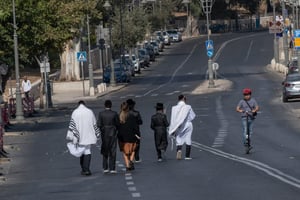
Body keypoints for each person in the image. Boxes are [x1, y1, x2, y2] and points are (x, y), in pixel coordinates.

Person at [66, 100, 100, 176]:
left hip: (79, 135)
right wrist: (97, 134)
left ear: (78, 105)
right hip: (89, 135)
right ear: (84, 104)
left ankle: (84, 168)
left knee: (81, 150)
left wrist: (72, 136)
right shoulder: (89, 112)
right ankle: (87, 169)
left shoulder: (75, 112)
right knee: (87, 151)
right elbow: (94, 123)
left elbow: (72, 125)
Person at [168, 95, 196, 160]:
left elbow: (173, 119)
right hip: (188, 124)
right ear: (183, 99)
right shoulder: (188, 107)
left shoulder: (174, 108)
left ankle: (179, 150)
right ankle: (187, 156)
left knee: (179, 138)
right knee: (188, 138)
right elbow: (192, 116)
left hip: (179, 126)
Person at [97, 100, 120, 174]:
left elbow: (99, 124)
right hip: (113, 132)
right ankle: (112, 168)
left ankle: (105, 167)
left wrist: (103, 129)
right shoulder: (114, 113)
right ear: (111, 105)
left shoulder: (101, 114)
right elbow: (118, 124)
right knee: (113, 150)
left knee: (105, 149)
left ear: (104, 105)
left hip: (104, 133)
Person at [118, 102, 139, 171]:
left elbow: (117, 127)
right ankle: (131, 160)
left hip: (122, 137)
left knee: (125, 151)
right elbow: (135, 127)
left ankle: (127, 165)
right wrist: (137, 134)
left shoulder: (119, 116)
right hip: (131, 136)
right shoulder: (131, 116)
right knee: (133, 150)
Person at [126, 99, 143, 163]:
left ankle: (129, 157)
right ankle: (136, 157)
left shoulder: (125, 113)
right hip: (136, 131)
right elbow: (140, 122)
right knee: (137, 144)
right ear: (133, 105)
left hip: (127, 131)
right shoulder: (136, 113)